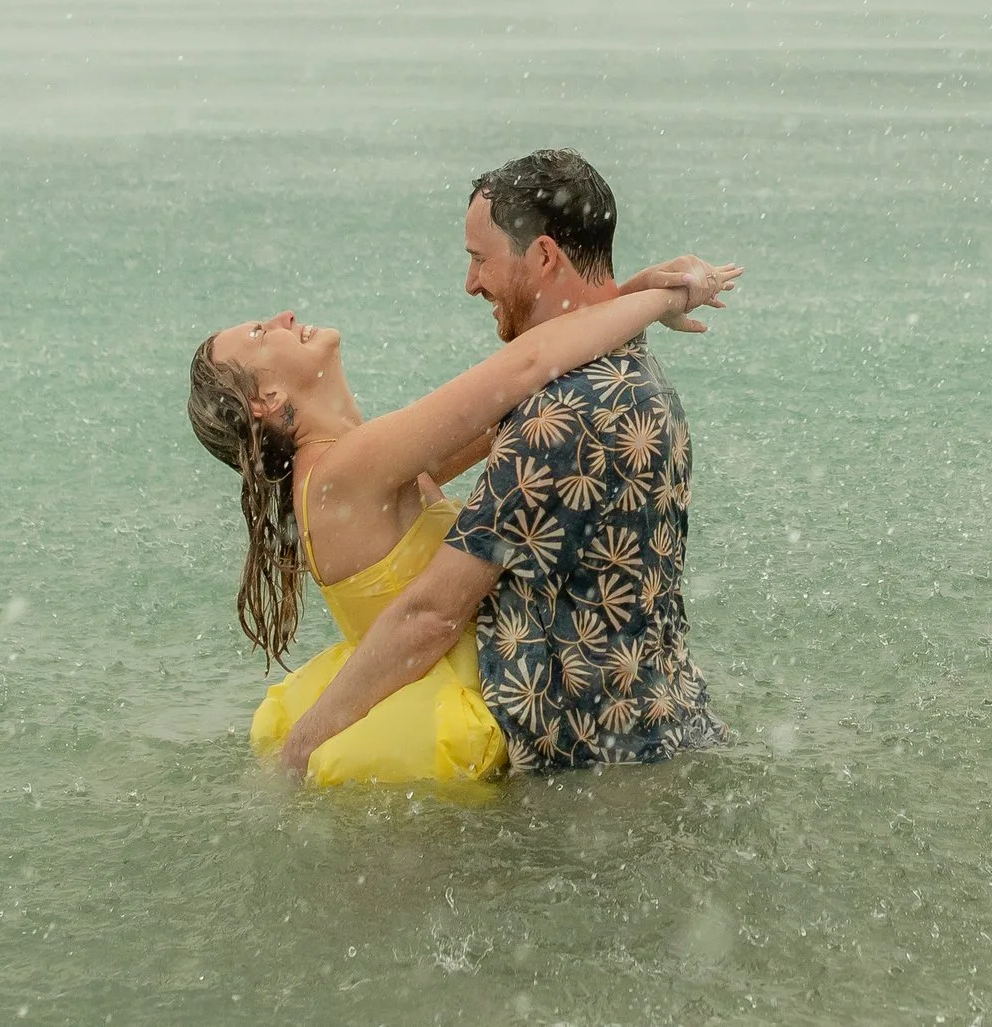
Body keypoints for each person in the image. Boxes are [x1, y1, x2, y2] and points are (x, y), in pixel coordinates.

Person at [185, 231, 739, 786]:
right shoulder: (346, 470)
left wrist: (633, 292)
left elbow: (517, 399)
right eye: (260, 334)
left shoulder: (351, 473)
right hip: (460, 702)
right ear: (266, 401)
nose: (283, 317)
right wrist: (670, 296)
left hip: (440, 683)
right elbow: (527, 366)